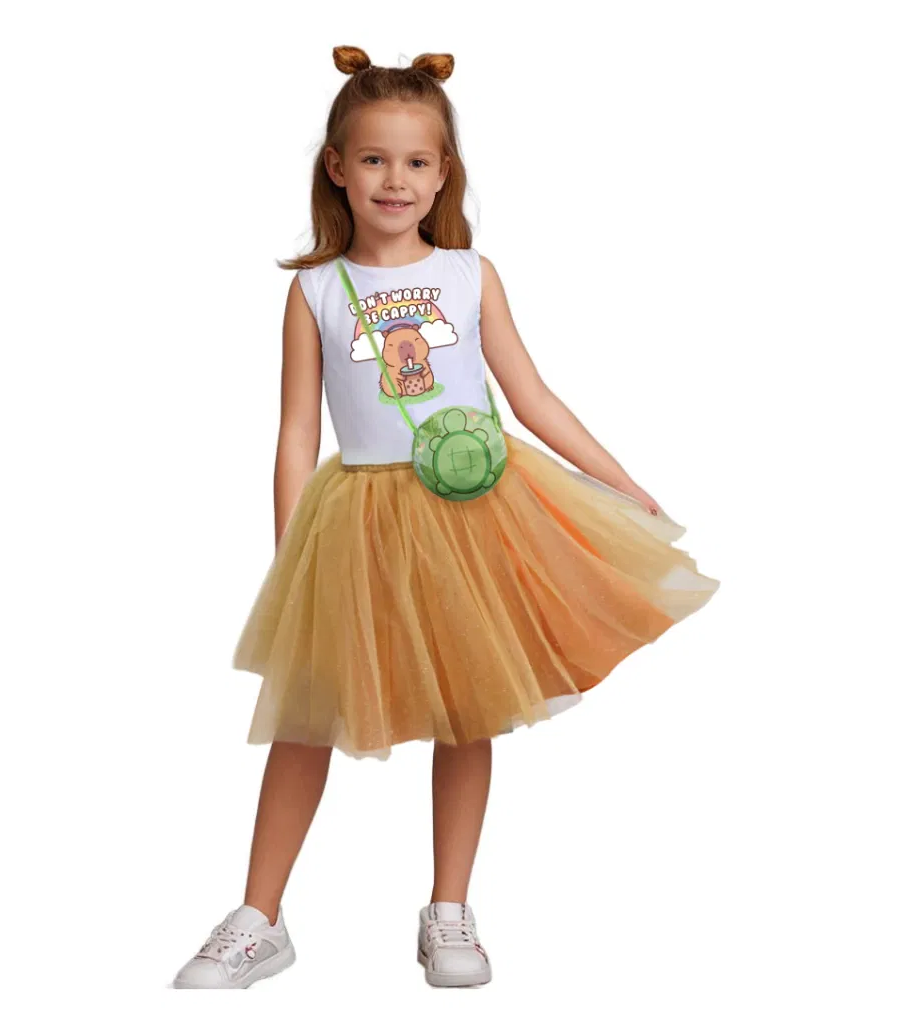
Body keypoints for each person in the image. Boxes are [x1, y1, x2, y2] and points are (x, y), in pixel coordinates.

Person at [172, 45, 719, 991]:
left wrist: (620, 481)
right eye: (374, 159)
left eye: (416, 161)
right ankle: (259, 916)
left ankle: (450, 909)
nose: (396, 179)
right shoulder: (314, 289)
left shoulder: (470, 274)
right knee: (307, 715)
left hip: (475, 513)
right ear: (337, 167)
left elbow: (531, 397)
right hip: (358, 521)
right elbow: (296, 430)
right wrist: (290, 553)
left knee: (471, 705)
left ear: (442, 174)